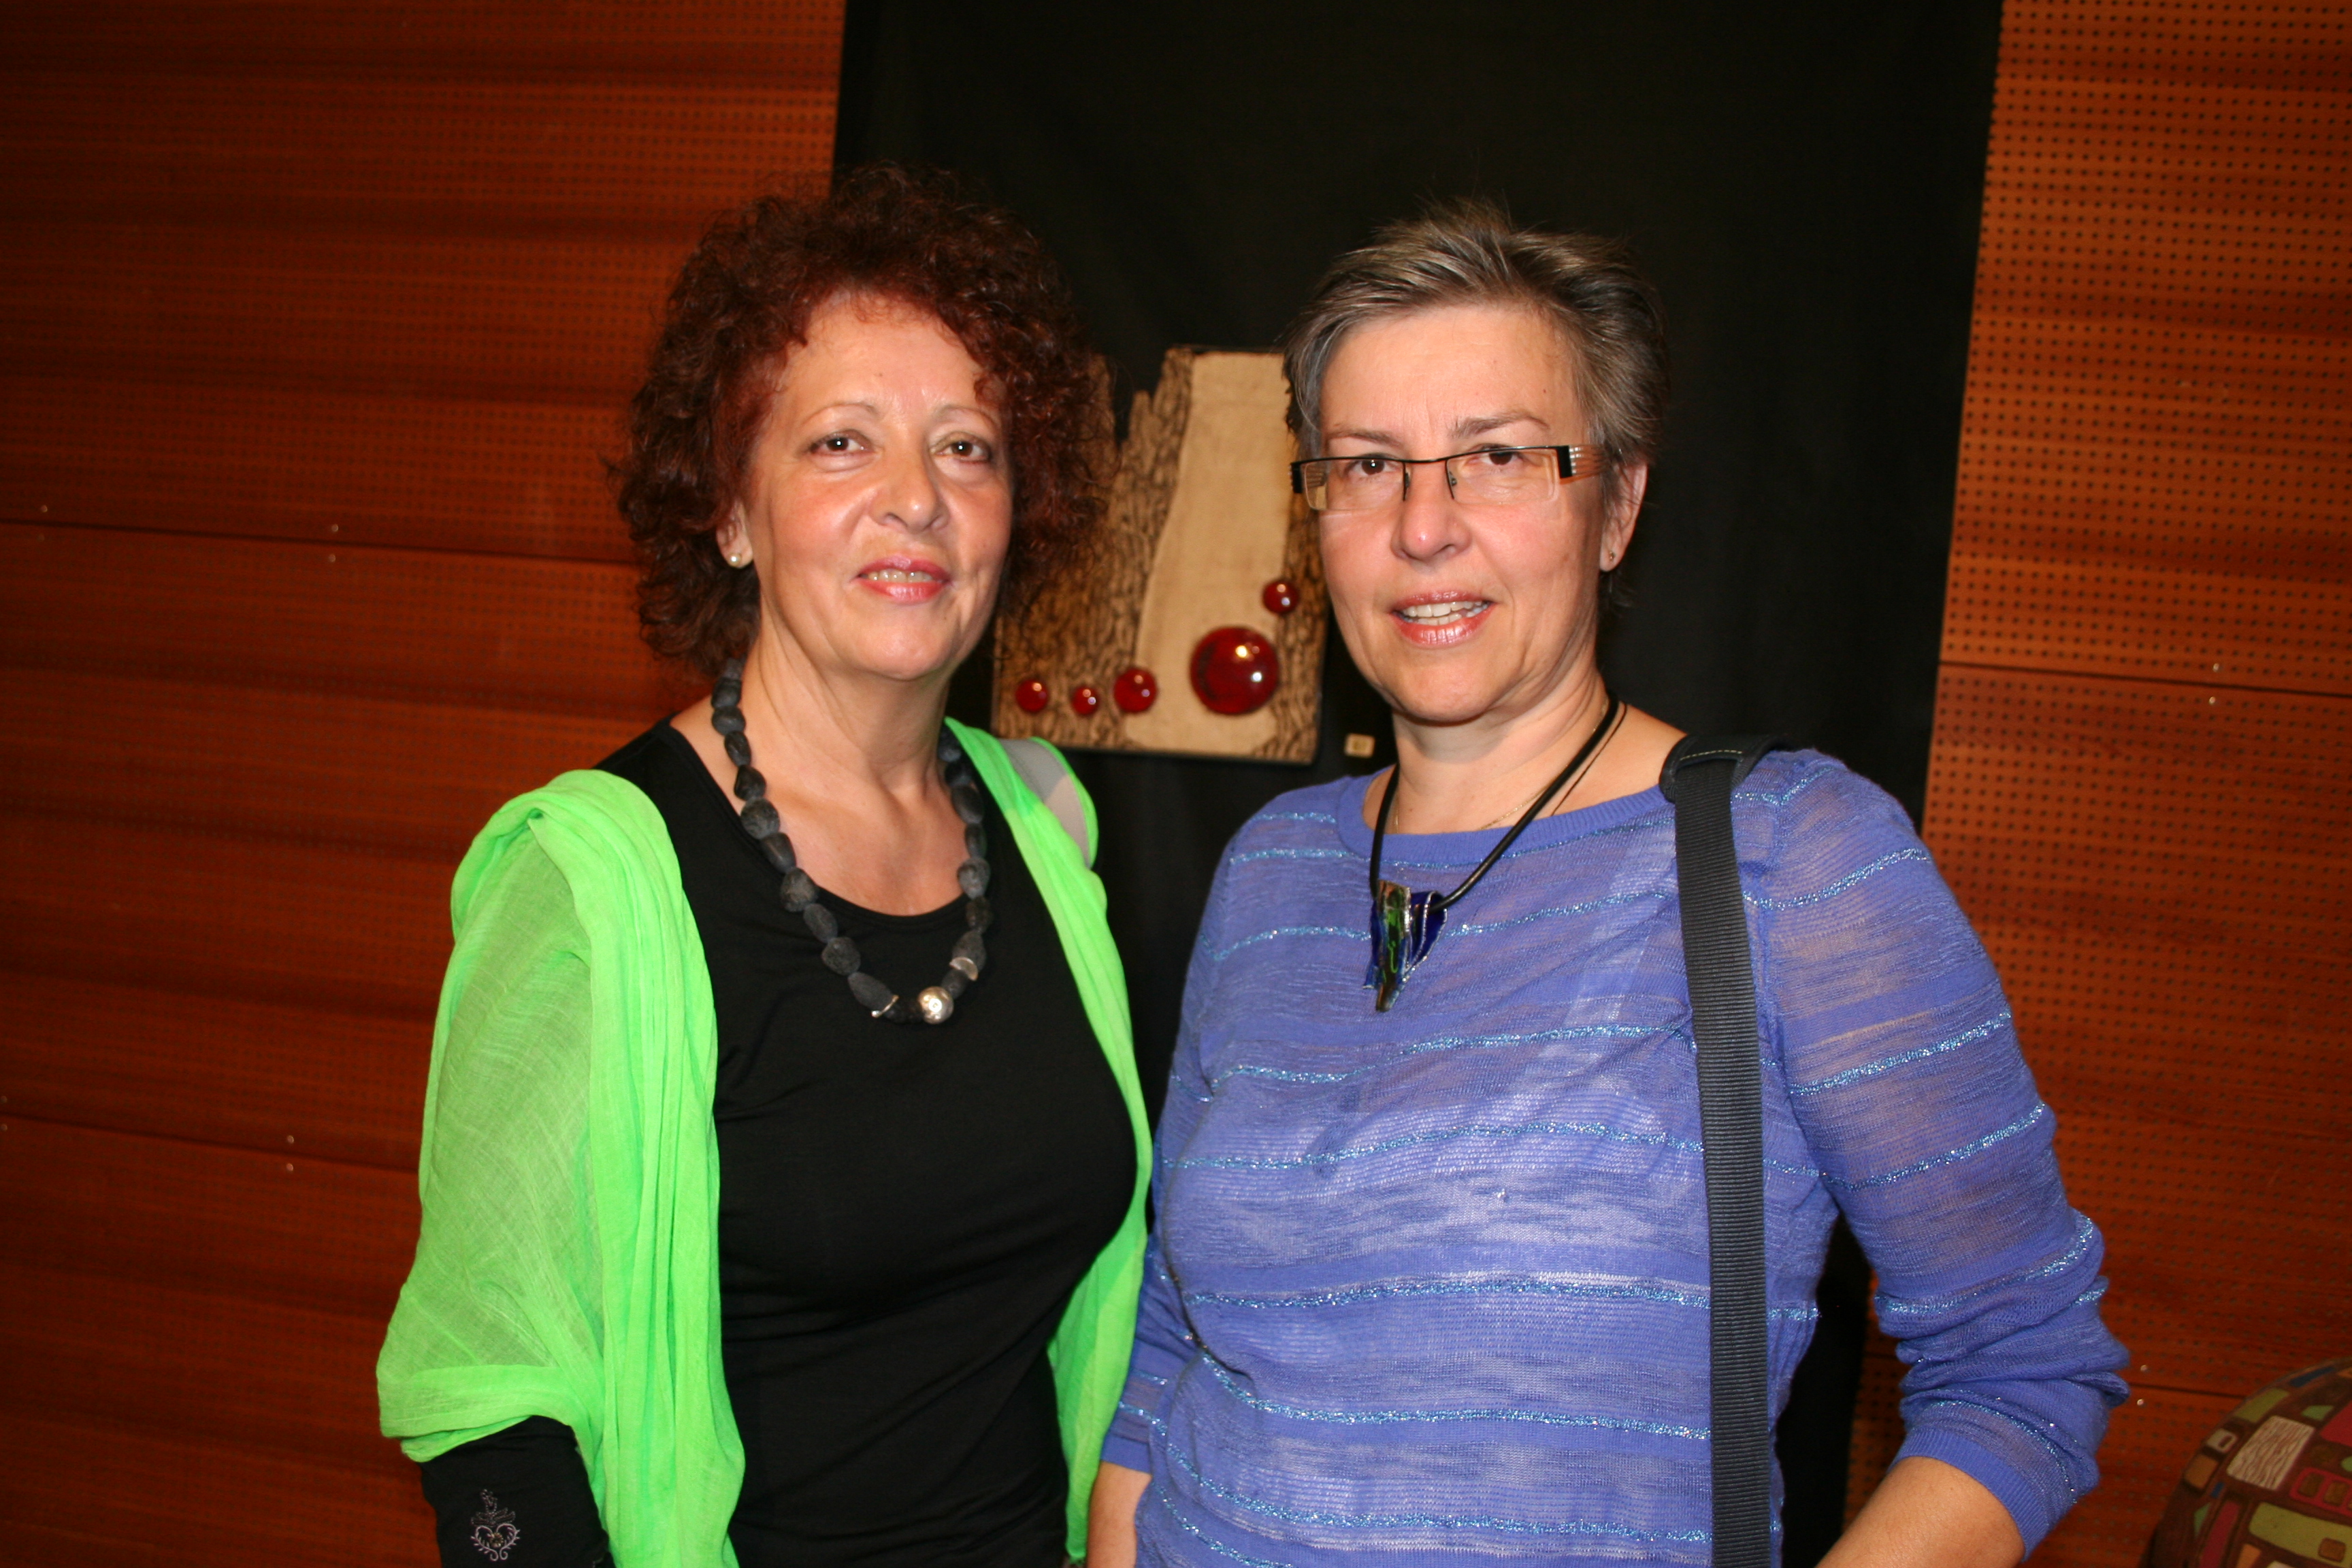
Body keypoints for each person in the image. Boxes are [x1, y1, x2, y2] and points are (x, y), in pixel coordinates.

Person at [1088, 203, 2128, 1567]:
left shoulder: (1793, 858)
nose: (1424, 527)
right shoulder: (1274, 868)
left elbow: (2027, 1370)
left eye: (1500, 458)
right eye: (1370, 465)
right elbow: (1173, 1341)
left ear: (1617, 506)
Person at [378, 165, 1151, 1568]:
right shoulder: (592, 881)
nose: (916, 500)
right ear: (732, 513)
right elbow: (490, 1415)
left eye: (967, 448)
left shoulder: (1049, 830)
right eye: (842, 443)